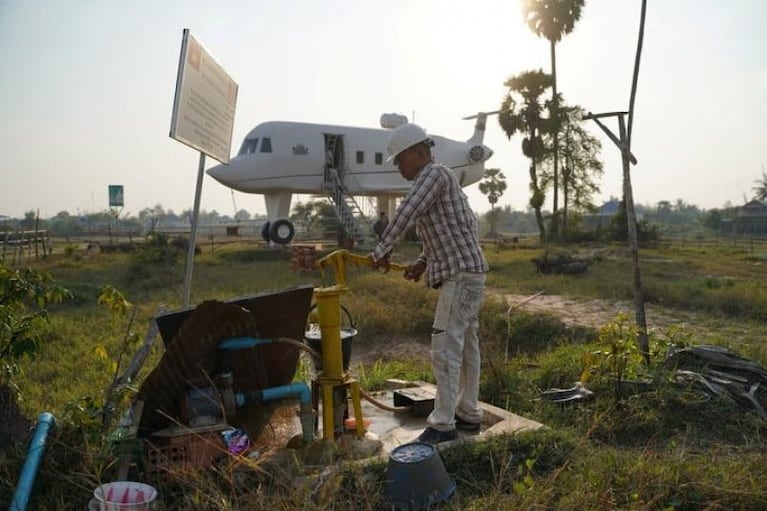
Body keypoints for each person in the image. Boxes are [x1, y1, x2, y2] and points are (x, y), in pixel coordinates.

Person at [370, 123, 489, 444]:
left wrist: (381, 252)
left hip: (461, 278)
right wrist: (422, 263)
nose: (399, 167)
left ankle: (442, 423)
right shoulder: (442, 178)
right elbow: (451, 229)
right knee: (465, 349)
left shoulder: (432, 175)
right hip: (469, 274)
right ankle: (467, 414)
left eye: (400, 160)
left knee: (445, 347)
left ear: (418, 152)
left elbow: (407, 211)